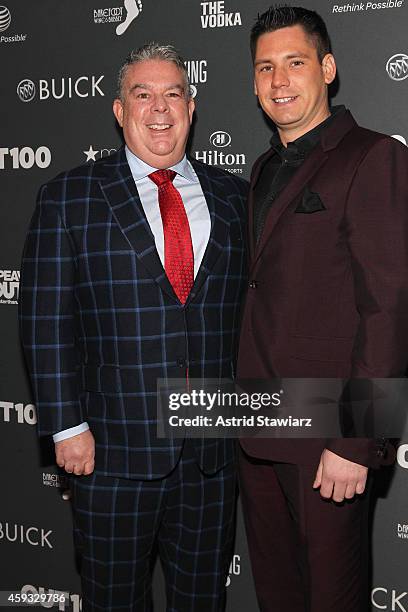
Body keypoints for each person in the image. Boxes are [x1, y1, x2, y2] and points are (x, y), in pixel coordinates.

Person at [19, 43, 248, 611]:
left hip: (210, 459)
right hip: (112, 456)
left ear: (192, 109)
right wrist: (66, 426)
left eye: (173, 93)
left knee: (202, 602)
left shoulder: (236, 196)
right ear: (120, 112)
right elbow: (45, 321)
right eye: (142, 95)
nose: (160, 108)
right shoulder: (68, 198)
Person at [237, 6, 408, 612]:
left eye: (295, 62)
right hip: (256, 429)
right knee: (278, 599)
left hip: (326, 439)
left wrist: (355, 442)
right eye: (265, 68)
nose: (279, 81)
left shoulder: (373, 155)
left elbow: (387, 309)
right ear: (254, 84)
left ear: (328, 68)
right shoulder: (260, 169)